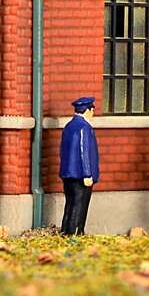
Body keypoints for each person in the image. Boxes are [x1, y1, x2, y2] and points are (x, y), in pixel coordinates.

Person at [59, 95, 99, 234]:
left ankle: (66, 231)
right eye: (92, 110)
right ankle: (76, 232)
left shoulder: (69, 126)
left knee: (70, 204)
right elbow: (84, 151)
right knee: (80, 205)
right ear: (87, 110)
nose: (93, 113)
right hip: (81, 175)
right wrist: (87, 174)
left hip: (68, 174)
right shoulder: (84, 128)